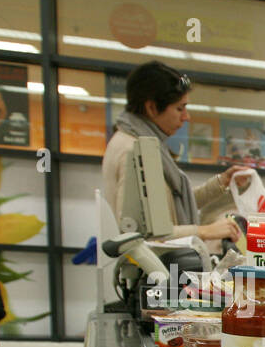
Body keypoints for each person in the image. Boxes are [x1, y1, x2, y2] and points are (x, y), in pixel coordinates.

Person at [102, 61, 253, 243]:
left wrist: (222, 182)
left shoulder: (145, 143)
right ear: (151, 107)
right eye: (179, 108)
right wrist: (203, 231)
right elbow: (137, 235)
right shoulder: (132, 151)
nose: (186, 117)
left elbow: (175, 203)